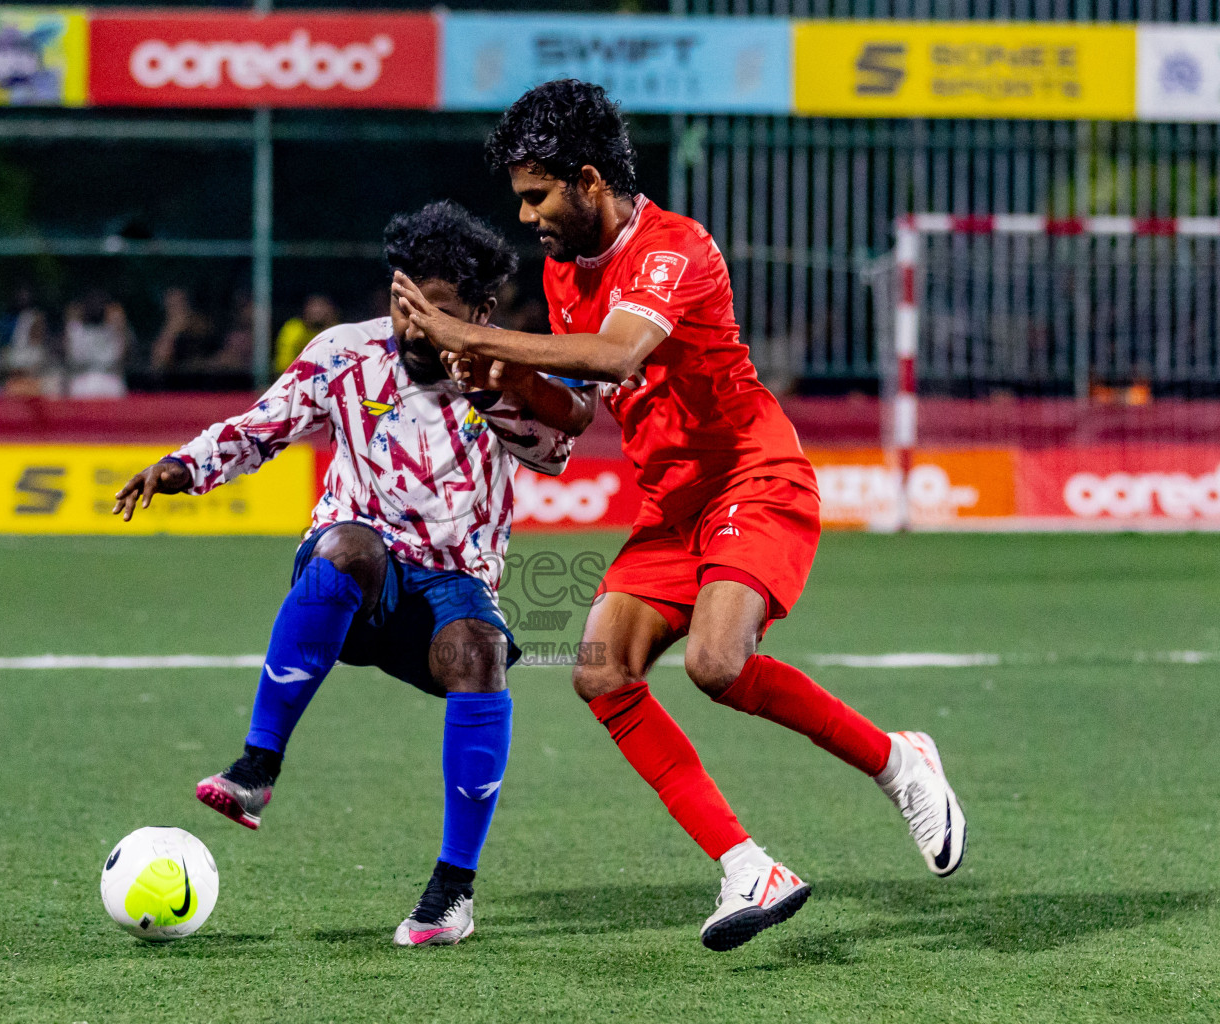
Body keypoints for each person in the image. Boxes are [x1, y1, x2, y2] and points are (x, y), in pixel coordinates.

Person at [391, 80, 966, 952]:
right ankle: (747, 866)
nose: (528, 214)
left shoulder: (673, 248)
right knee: (601, 670)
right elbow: (581, 403)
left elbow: (619, 349)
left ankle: (897, 762)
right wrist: (504, 385)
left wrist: (474, 337)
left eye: (538, 194)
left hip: (750, 476)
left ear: (588, 179)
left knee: (715, 662)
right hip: (670, 508)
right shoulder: (559, 273)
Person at [113, 201, 595, 947]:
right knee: (353, 547)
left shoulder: (511, 371)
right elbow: (259, 427)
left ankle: (450, 894)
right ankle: (257, 766)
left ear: (479, 311)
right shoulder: (344, 354)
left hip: (450, 587)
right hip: (349, 572)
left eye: (435, 312)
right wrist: (183, 466)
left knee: (481, 652)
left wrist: (488, 383)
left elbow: (554, 451)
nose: (412, 325)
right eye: (403, 303)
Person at [271, 293, 339, 375]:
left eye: (322, 306)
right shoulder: (293, 329)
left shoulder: (338, 331)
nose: (317, 310)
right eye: (314, 306)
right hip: (298, 378)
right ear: (305, 309)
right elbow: (284, 365)